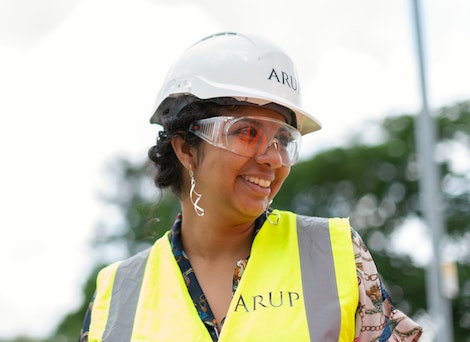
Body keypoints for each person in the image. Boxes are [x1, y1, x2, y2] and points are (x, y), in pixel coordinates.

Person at [80, 32, 423, 341]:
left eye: (284, 139)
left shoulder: (335, 256)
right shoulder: (116, 298)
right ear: (186, 148)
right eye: (247, 132)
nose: (274, 158)